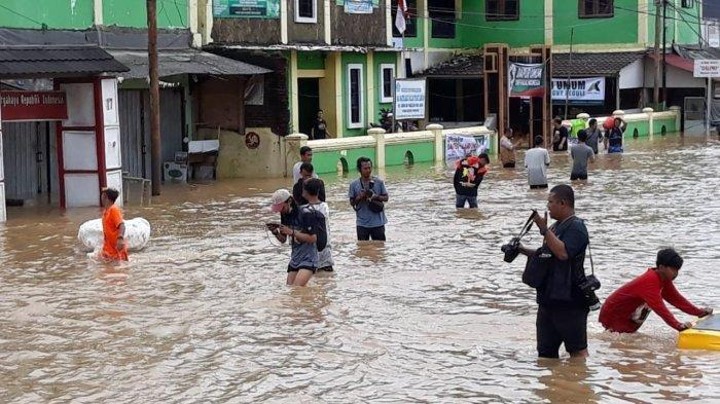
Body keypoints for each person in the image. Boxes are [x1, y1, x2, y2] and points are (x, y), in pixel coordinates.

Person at [518, 185, 591, 358]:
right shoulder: (555, 227)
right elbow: (546, 254)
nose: (548, 206)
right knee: (545, 354)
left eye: (551, 202)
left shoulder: (577, 227)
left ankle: (579, 383)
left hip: (570, 302)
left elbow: (563, 253)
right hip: (548, 300)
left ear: (563, 203)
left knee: (577, 352)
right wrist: (520, 250)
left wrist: (543, 230)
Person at [599, 248, 713, 333]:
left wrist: (699, 312)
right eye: (673, 269)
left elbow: (677, 300)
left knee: (628, 342)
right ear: (662, 267)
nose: (676, 274)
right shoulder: (650, 280)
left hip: (628, 313)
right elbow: (660, 308)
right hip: (614, 313)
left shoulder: (664, 279)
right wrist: (678, 326)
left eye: (677, 270)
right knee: (619, 340)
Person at [269, 186, 324, 286]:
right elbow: (283, 240)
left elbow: (313, 238)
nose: (281, 211)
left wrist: (291, 232)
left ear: (289, 201)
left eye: (282, 208)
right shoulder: (285, 215)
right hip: (295, 259)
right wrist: (275, 232)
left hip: (309, 259)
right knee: (290, 289)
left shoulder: (306, 214)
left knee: (297, 288)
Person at [349, 157, 389, 241]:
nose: (368, 170)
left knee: (380, 249)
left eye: (369, 168)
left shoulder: (379, 182)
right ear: (359, 170)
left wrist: (375, 196)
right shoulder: (354, 185)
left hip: (378, 223)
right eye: (365, 168)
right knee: (362, 249)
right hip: (362, 224)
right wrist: (359, 197)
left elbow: (386, 198)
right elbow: (352, 203)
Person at [100, 187, 128, 261]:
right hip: (108, 251)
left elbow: (122, 225)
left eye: (102, 195)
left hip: (116, 252)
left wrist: (120, 238)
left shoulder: (113, 210)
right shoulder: (106, 212)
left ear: (105, 196)